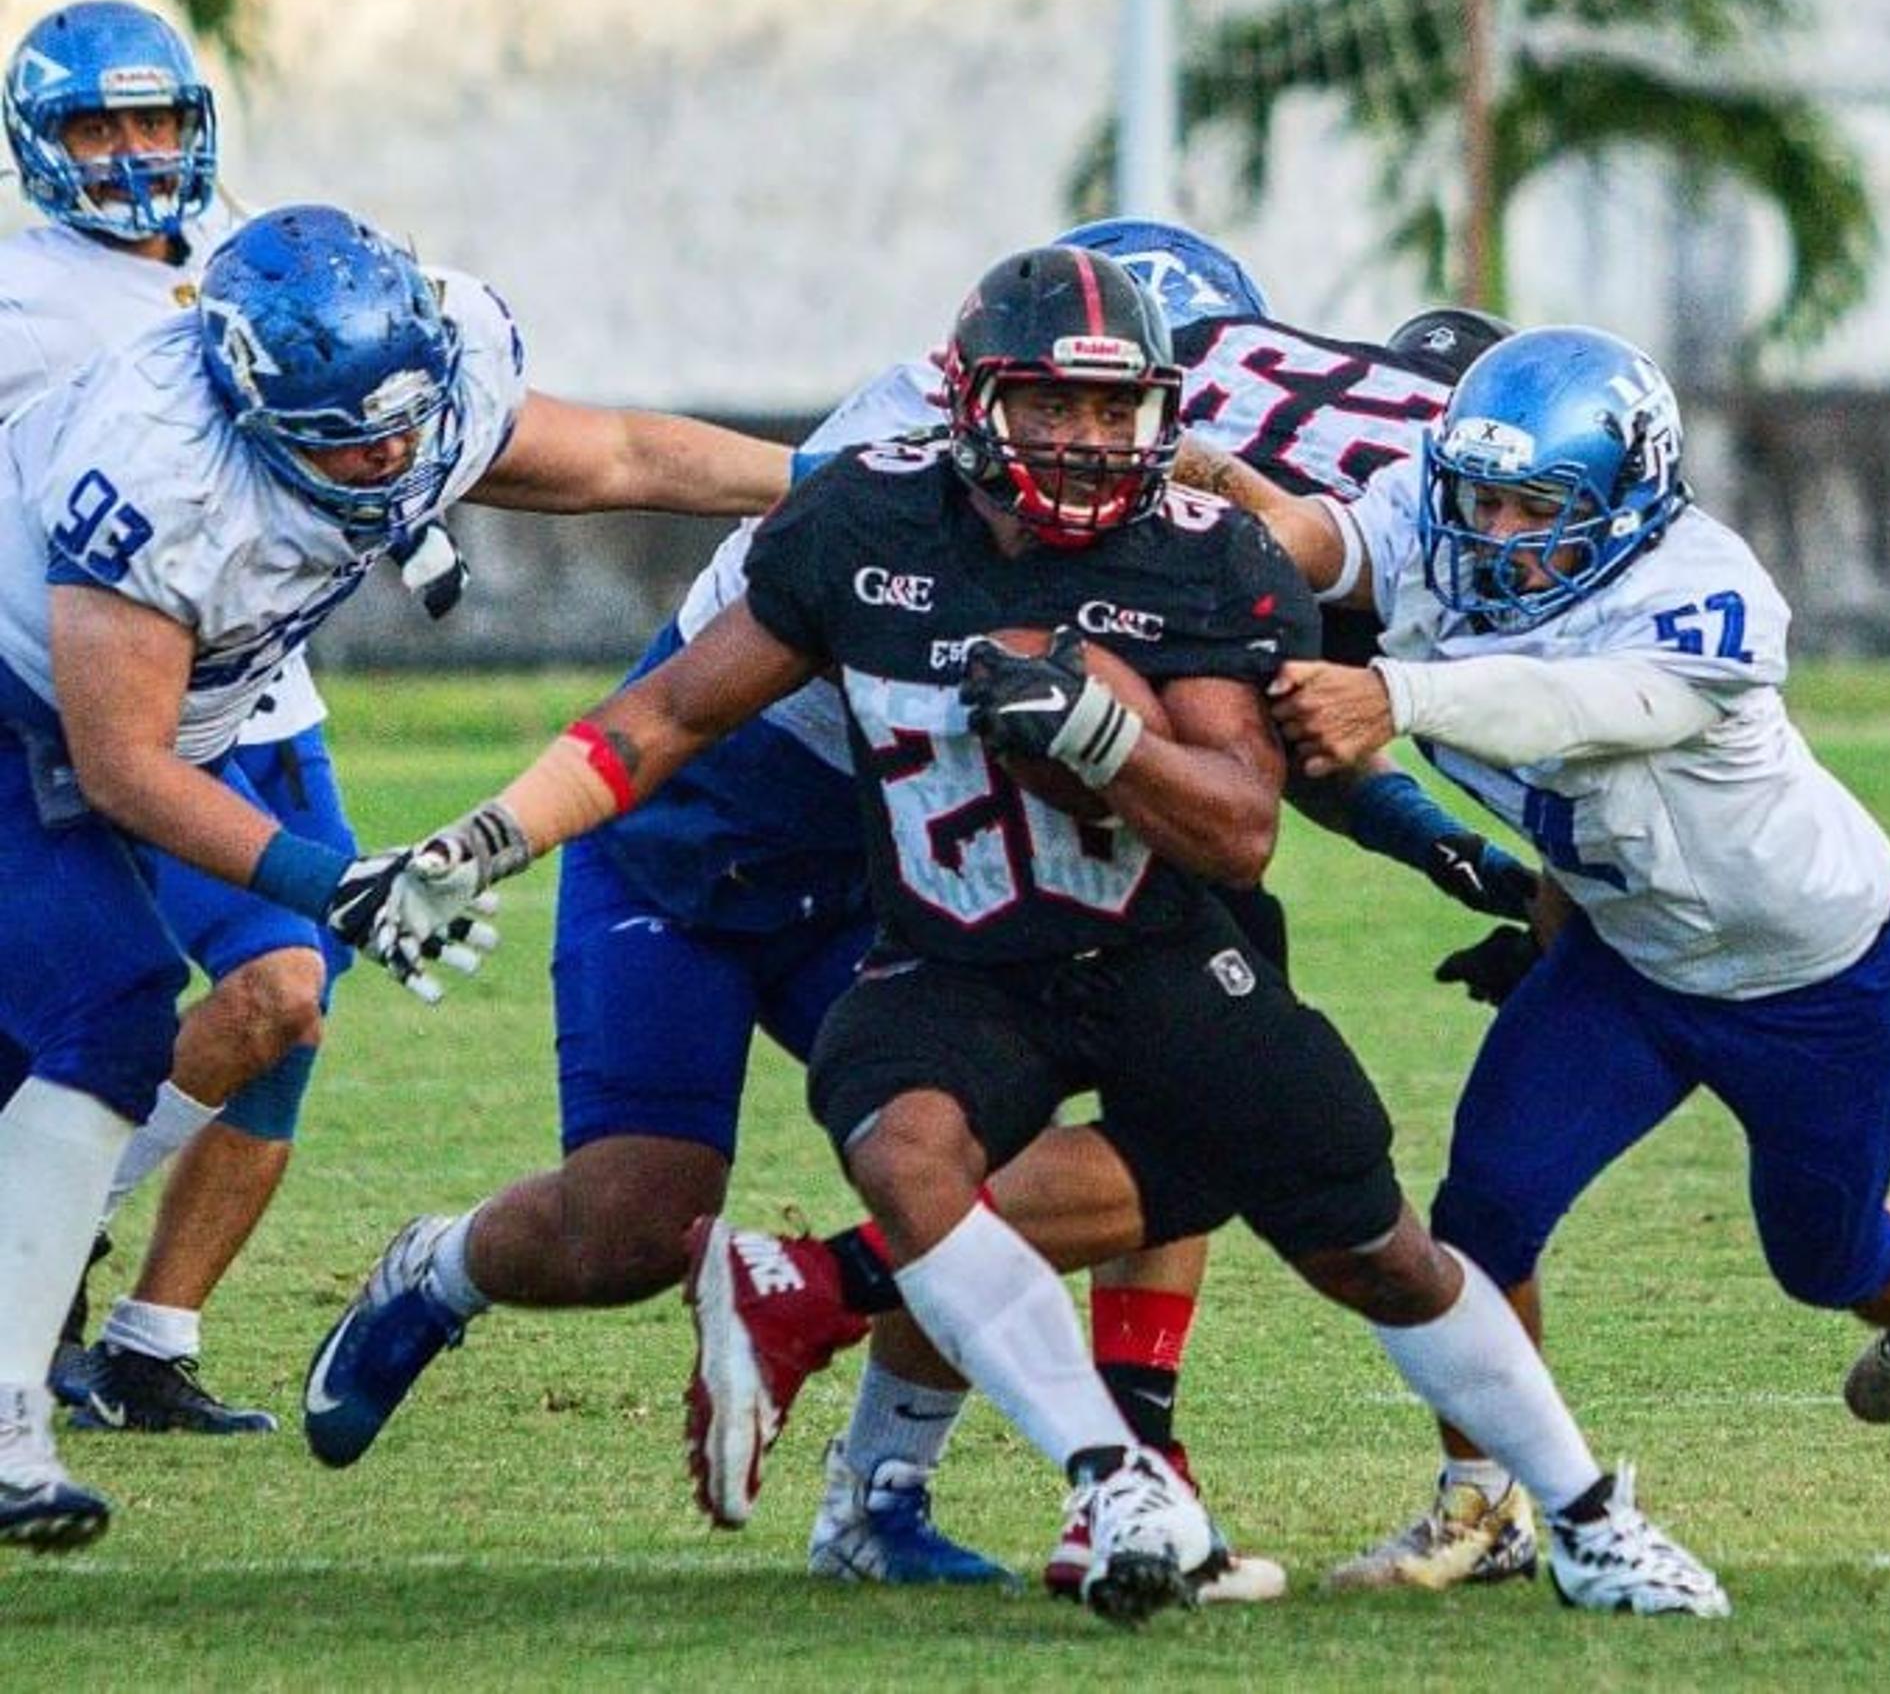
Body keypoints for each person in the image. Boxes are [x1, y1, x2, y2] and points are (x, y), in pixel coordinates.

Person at [319, 245, 1726, 1625]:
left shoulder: (1208, 545)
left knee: (1325, 1221)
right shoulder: (868, 512)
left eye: (1122, 409)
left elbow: (1261, 795)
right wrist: (484, 836)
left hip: (1080, 924)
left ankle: (961, 1478)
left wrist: (1143, 745)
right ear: (966, 400)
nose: (1092, 441)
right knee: (671, 1211)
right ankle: (1106, 1473)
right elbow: (665, 714)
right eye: (1055, 405)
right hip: (828, 892)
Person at [0, 200, 792, 1551]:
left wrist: (834, 477)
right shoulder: (158, 467)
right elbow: (115, 763)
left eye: (400, 423)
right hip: (31, 708)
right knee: (109, 1005)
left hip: (205, 712)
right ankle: (16, 1422)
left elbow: (612, 453)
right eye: (342, 438)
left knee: (268, 993)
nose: (384, 456)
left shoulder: (430, 373)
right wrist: (335, 877)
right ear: (246, 399)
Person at [1253, 322, 1890, 1590]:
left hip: (1818, 975)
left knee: (1826, 1258)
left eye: (1534, 505)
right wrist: (1240, 536)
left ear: (1628, 499)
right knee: (1480, 1218)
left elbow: (1574, 710)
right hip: (1625, 963)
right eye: (1480, 497)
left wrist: (1399, 695)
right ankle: (1484, 1506)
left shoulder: (1705, 589)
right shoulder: (1437, 519)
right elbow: (1341, 542)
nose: (1494, 531)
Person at [0, 0, 458, 1435]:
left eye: (154, 121)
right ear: (38, 145)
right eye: (98, 126)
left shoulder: (239, 247)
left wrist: (422, 525)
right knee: (105, 1014)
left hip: (258, 687)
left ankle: (143, 1334)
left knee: (285, 1001)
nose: (133, 154)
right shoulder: (19, 304)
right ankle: (39, 1251)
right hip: (82, 691)